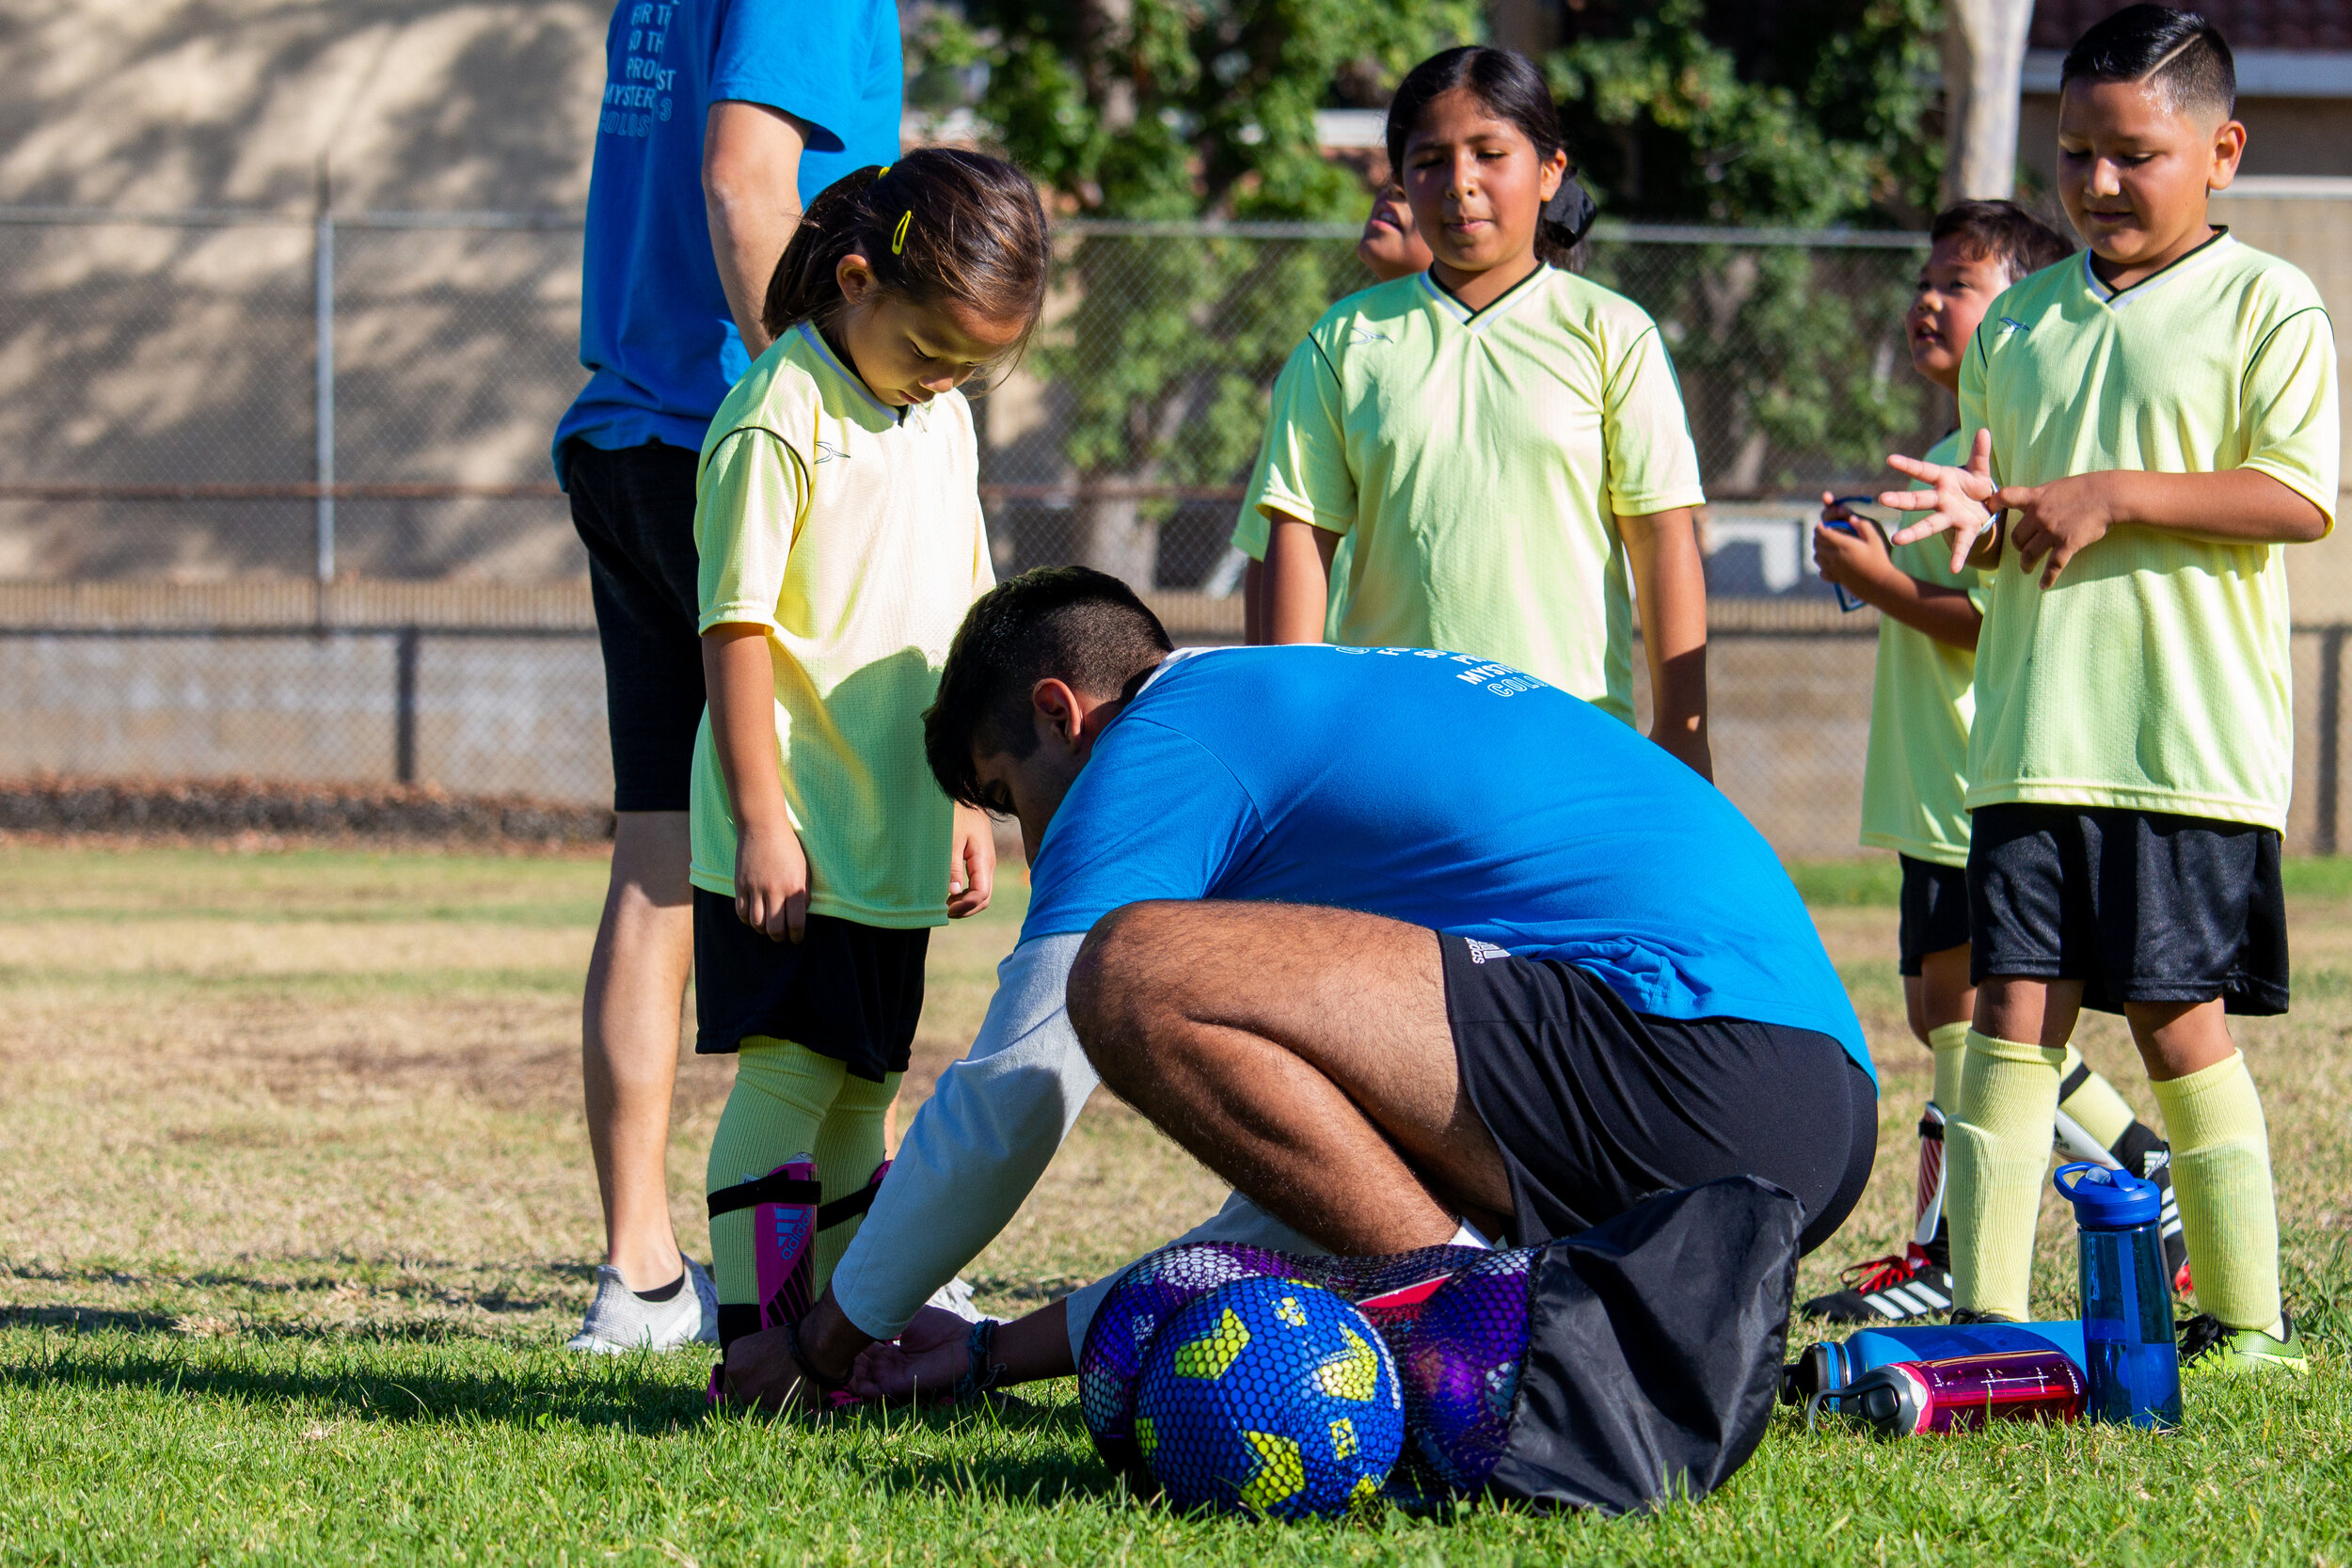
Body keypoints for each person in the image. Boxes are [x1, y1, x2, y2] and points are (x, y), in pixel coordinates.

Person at [712, 567, 1877, 1411]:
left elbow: (1015, 1088)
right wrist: (982, 1353)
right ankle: (1515, 1331)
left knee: (1130, 970)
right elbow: (1312, 1197)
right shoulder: (1290, 713)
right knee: (1170, 989)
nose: (1028, 844)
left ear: (1061, 714)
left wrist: (823, 1341)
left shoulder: (1159, 740)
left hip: (1695, 1058)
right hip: (1803, 1119)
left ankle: (1509, 1354)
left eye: (1009, 798)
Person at [1883, 6, 2335, 1372]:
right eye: (2075, 152)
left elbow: (2299, 497)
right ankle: (1992, 1321)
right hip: (2029, 738)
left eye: (2134, 154)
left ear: (2223, 151)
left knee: (2174, 1015)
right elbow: (2012, 496)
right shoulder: (2018, 321)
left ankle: (2249, 1322)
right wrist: (1975, 508)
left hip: (2181, 743)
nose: (2097, 182)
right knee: (2008, 1013)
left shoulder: (2271, 303)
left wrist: (2112, 496)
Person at [554, 0, 903, 1352]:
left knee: (655, 860)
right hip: (734, 439)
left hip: (631, 432)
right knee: (860, 830)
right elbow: (744, 176)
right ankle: (858, 1269)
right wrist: (823, 408)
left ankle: (640, 1278)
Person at [691, 150, 1049, 1357]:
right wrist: (759, 817)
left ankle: (842, 1341)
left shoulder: (937, 421)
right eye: (933, 348)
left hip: (896, 823)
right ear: (857, 277)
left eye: (971, 364)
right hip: (797, 830)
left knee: (863, 1089)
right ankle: (755, 1351)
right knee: (787, 1085)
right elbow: (734, 629)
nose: (949, 378)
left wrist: (965, 797)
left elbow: (962, 610)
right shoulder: (775, 416)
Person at [1802, 201, 2185, 1325]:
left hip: (1984, 769)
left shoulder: (2011, 456)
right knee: (1945, 1016)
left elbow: (1987, 624)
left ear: (2016, 313)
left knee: (1977, 1021)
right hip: (1929, 779)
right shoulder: (1938, 457)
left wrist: (1875, 583)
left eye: (1958, 284)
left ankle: (2003, 1231)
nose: (1929, 298)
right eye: (1925, 277)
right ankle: (1968, 1236)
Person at [1255, 46, 1712, 778]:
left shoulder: (1614, 333)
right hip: (1388, 749)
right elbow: (1298, 543)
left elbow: (1663, 541)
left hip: (1570, 747)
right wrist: (1289, 730)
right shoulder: (1342, 341)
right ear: (1400, 178)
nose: (1459, 183)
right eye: (1429, 160)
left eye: (1489, 154)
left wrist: (1685, 732)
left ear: (1550, 171)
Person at [1232, 183, 1432, 641]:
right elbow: (1267, 550)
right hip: (1345, 675)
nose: (1393, 190)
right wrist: (1275, 693)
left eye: (1418, 175)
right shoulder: (1332, 346)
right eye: (1394, 177)